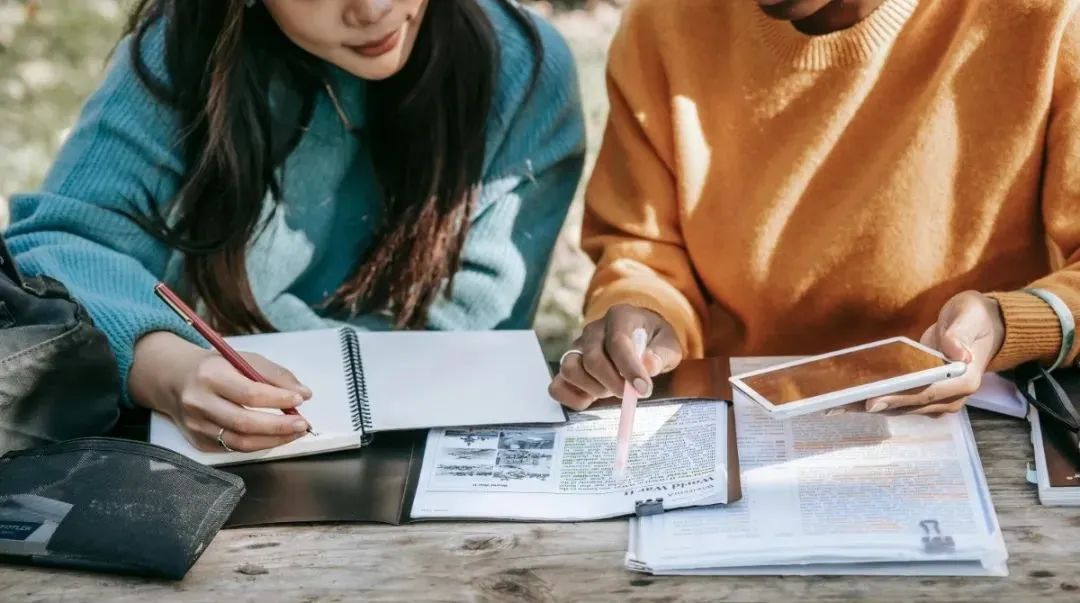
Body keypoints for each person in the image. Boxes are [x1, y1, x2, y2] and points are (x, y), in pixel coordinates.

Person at [6, 0, 585, 452]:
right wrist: (168, 369)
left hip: (422, 459)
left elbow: (470, 343)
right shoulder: (187, 49)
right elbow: (56, 247)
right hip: (200, 457)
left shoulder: (523, 70)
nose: (371, 11)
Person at [551, 0, 1080, 415]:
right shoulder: (663, 26)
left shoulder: (1046, 20)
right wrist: (644, 315)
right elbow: (643, 249)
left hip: (982, 423)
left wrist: (1010, 325)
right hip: (737, 416)